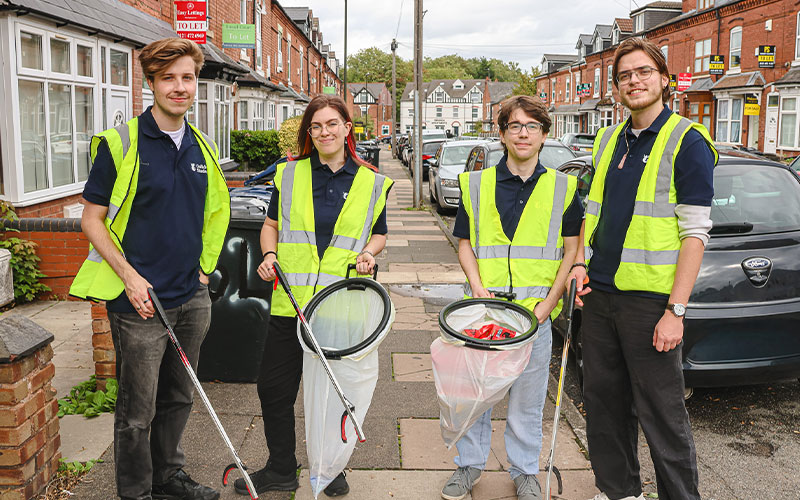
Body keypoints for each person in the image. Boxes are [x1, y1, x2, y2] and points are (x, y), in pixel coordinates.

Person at [70, 38, 229, 500]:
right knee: (137, 411)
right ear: (151, 83)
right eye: (169, 79)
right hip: (138, 302)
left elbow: (213, 214)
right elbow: (91, 220)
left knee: (179, 397)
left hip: (191, 297)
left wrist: (203, 273)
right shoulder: (121, 143)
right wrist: (129, 276)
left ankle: (169, 477)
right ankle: (136, 492)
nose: (180, 88)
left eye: (187, 78)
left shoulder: (203, 146)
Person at [568, 38, 717, 500]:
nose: (635, 81)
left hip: (650, 304)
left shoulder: (687, 142)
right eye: (625, 75)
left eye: (643, 72)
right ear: (616, 89)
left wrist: (676, 309)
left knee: (662, 415)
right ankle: (618, 492)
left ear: (664, 79)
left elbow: (695, 233)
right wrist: (578, 265)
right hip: (599, 296)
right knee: (604, 405)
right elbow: (594, 211)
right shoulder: (609, 138)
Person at [233, 95, 393, 497]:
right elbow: (270, 225)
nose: (324, 132)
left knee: (334, 395)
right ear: (309, 132)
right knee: (274, 388)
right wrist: (268, 254)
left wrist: (369, 254)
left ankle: (331, 467)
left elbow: (379, 233)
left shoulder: (372, 181)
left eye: (332, 124)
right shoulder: (288, 175)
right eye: (316, 126)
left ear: (347, 128)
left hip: (339, 306)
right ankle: (281, 469)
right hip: (292, 304)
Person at [441, 95, 583, 500]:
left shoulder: (563, 187)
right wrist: (477, 287)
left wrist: (550, 304)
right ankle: (468, 466)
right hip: (482, 313)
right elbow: (464, 243)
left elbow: (571, 251)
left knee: (527, 401)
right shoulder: (478, 184)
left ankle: (524, 472)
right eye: (515, 126)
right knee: (475, 395)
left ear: (543, 136)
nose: (524, 133)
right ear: (502, 134)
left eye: (532, 126)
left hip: (533, 315)